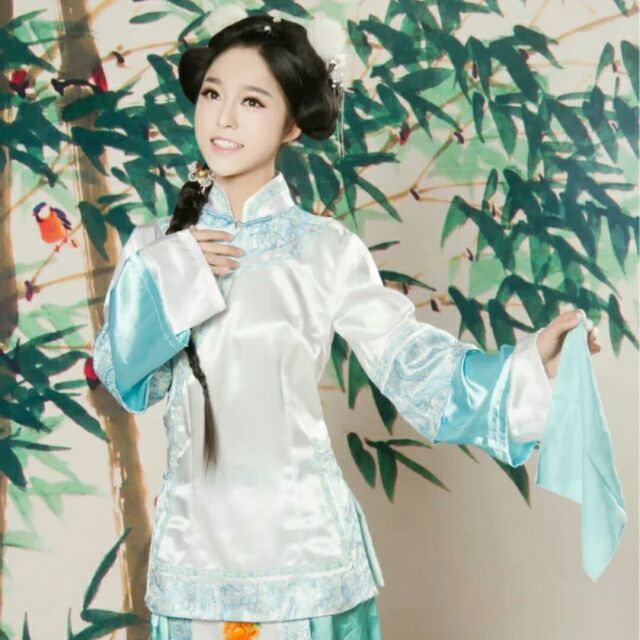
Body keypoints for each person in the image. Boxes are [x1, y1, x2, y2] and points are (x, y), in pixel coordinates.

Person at [92, 12, 602, 640]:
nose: (222, 118)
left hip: (308, 557)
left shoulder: (324, 249)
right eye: (212, 94)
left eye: (252, 101)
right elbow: (125, 377)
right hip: (194, 558)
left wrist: (528, 368)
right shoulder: (157, 248)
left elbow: (410, 364)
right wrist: (173, 276)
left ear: (293, 124)